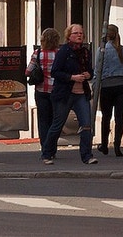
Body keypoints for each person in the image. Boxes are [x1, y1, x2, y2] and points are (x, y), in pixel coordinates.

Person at [47, 23, 96, 165]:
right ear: (69, 36)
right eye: (76, 33)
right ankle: (47, 153)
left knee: (86, 124)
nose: (79, 35)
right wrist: (72, 77)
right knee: (58, 124)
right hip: (65, 94)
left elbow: (90, 71)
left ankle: (87, 156)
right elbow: (55, 72)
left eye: (81, 33)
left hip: (81, 93)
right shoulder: (64, 51)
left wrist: (88, 74)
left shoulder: (86, 52)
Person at [96, 24, 123, 157]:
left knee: (106, 116)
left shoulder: (102, 50)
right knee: (119, 116)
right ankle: (117, 146)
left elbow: (97, 71)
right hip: (122, 85)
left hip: (107, 86)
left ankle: (104, 145)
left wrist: (95, 87)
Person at [31, 27, 61, 164]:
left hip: (41, 90)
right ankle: (52, 149)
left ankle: (45, 147)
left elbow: (28, 71)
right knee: (55, 121)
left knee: (43, 121)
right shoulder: (60, 54)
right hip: (56, 91)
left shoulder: (37, 53)